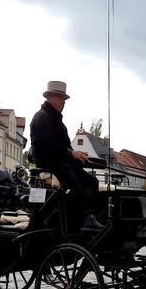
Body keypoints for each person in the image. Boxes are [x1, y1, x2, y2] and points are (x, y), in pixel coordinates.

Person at [30, 80, 102, 230]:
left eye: (64, 99)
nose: (64, 102)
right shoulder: (41, 117)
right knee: (74, 183)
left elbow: (65, 146)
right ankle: (76, 222)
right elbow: (46, 145)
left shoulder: (58, 122)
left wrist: (79, 156)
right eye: (61, 98)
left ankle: (91, 216)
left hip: (62, 162)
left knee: (92, 181)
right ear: (50, 97)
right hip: (48, 162)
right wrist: (71, 153)